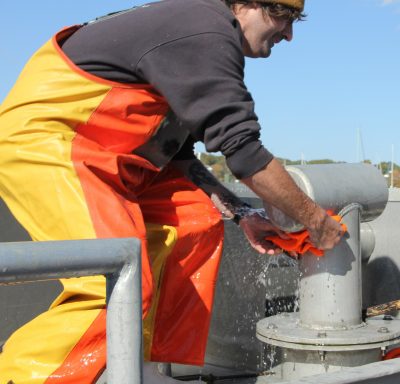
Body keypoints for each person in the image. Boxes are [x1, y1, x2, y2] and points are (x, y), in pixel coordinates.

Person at [0, 0, 343, 382]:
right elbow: (245, 154)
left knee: (195, 222)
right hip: (53, 145)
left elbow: (175, 153)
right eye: (283, 16)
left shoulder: (200, 32)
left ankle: (143, 369)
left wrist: (243, 215)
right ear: (244, 4)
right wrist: (316, 222)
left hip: (118, 159)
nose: (289, 34)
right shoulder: (205, 33)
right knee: (110, 285)